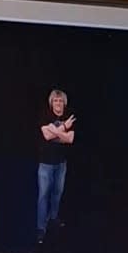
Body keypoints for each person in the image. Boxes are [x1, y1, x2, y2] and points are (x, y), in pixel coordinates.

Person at [37, 88, 75, 244]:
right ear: (51, 103)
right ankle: (41, 228)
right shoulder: (44, 115)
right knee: (43, 196)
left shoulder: (69, 116)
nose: (58, 103)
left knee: (57, 193)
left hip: (61, 164)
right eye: (55, 100)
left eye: (60, 101)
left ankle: (53, 218)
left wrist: (55, 131)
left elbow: (70, 139)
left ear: (64, 103)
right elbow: (46, 136)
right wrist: (64, 128)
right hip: (45, 164)